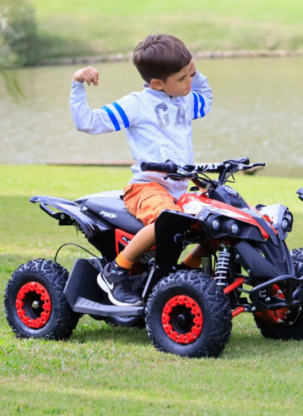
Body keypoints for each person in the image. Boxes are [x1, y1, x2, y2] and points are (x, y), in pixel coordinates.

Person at [70, 34, 213, 306]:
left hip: (180, 189)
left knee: (216, 223)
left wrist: (195, 72)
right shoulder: (135, 105)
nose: (189, 82)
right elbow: (87, 122)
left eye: (189, 74)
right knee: (167, 219)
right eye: (183, 78)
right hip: (146, 188)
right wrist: (78, 84)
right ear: (158, 83)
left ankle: (182, 274)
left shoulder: (183, 100)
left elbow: (205, 101)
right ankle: (117, 270)